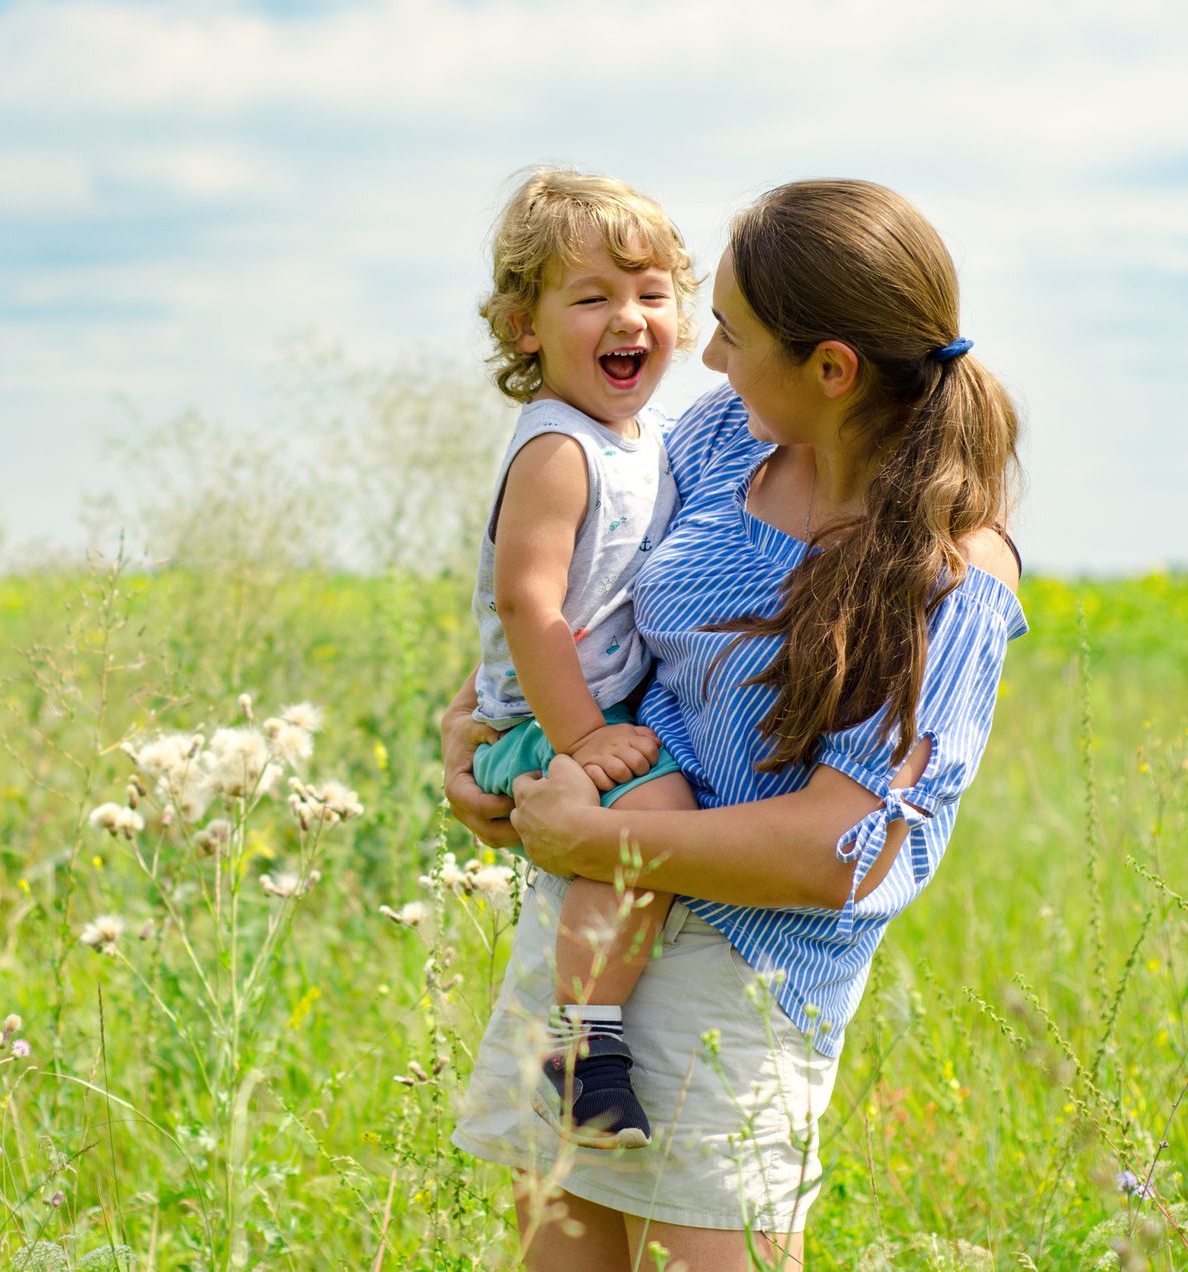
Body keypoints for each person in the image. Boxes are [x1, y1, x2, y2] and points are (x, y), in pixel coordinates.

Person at [443, 178, 1027, 1270]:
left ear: (832, 370)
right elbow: (580, 596)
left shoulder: (952, 579)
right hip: (589, 946)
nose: (706, 359)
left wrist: (599, 840)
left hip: (738, 986)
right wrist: (477, 731)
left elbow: (844, 850)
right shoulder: (722, 443)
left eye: (733, 333)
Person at [466, 168, 704, 1150]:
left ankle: (590, 1033)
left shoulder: (639, 438)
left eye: (651, 294)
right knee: (658, 809)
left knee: (653, 813)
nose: (630, 318)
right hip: (538, 725)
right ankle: (584, 1049)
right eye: (593, 296)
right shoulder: (559, 449)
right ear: (525, 327)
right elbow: (526, 601)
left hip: (575, 714)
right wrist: (583, 736)